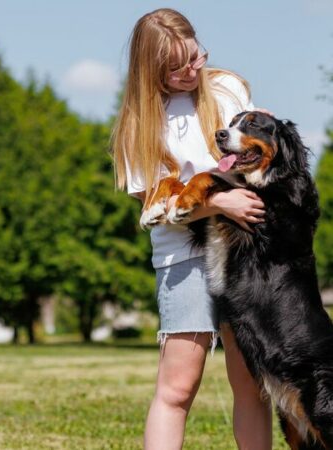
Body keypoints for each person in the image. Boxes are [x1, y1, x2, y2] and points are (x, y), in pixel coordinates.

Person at [111, 8, 272, 450]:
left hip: (243, 253)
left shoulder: (228, 87)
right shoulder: (140, 123)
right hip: (183, 257)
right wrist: (219, 201)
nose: (191, 71)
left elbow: (257, 156)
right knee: (177, 388)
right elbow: (153, 206)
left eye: (196, 57)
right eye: (177, 67)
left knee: (252, 385)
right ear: (151, 70)